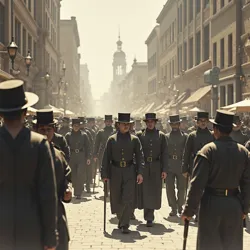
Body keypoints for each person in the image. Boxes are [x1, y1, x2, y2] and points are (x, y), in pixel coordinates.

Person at [0, 80, 58, 250]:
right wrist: (50, 236)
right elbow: (48, 195)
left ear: (2, 114)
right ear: (25, 112)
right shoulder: (40, 144)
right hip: (32, 227)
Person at [182, 110, 250, 250]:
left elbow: (197, 185)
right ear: (231, 129)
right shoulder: (243, 152)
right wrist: (245, 208)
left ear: (215, 129)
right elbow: (247, 184)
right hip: (234, 205)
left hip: (211, 205)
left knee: (209, 244)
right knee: (232, 245)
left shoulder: (208, 151)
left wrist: (189, 210)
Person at [34, 109, 72, 250]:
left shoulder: (58, 155)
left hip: (56, 215)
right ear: (35, 129)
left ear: (54, 130)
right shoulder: (28, 154)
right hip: (33, 215)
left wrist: (68, 190)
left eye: (48, 129)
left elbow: (66, 178)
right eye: (41, 129)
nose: (45, 133)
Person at [101, 113, 145, 234]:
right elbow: (106, 158)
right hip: (115, 171)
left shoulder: (135, 139)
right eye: (123, 124)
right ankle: (121, 219)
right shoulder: (111, 139)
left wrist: (140, 173)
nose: (126, 126)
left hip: (129, 171)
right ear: (118, 125)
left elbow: (140, 157)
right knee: (116, 197)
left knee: (127, 197)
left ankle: (125, 224)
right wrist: (104, 174)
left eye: (128, 124)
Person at [182, 111, 214, 221]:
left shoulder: (212, 135)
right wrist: (184, 169)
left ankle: (202, 213)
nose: (203, 123)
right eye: (201, 121)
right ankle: (195, 212)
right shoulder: (192, 136)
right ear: (197, 122)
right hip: (194, 166)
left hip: (209, 166)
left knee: (206, 190)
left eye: (205, 121)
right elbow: (186, 153)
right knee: (195, 189)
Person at [137, 113, 168, 227]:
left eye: (152, 122)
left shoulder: (161, 136)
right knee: (145, 190)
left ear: (155, 123)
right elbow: (137, 153)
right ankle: (147, 216)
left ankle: (151, 215)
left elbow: (165, 153)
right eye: (148, 122)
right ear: (146, 123)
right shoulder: (140, 135)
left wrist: (164, 169)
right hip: (144, 166)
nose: (150, 124)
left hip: (156, 166)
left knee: (154, 191)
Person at [166, 115, 188, 216]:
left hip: (181, 164)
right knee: (169, 187)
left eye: (176, 124)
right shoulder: (166, 137)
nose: (174, 126)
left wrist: (186, 166)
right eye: (172, 124)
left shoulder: (185, 137)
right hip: (169, 164)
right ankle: (173, 207)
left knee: (182, 187)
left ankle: (180, 206)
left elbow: (187, 152)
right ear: (170, 125)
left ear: (179, 124)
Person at [65, 118, 91, 199]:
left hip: (81, 156)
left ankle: (78, 192)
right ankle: (75, 188)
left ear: (80, 126)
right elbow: (65, 147)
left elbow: (88, 147)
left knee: (80, 174)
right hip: (72, 156)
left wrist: (88, 157)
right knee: (73, 175)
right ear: (72, 126)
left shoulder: (84, 135)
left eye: (77, 126)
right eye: (74, 126)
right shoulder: (68, 135)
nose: (76, 127)